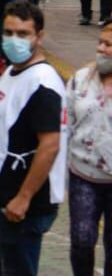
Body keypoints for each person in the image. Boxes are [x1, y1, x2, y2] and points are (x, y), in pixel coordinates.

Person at [0, 0, 66, 276]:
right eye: (8, 33)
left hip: (20, 207)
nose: (13, 40)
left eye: (22, 34)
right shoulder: (11, 71)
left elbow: (50, 146)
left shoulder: (42, 85)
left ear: (39, 37)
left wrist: (24, 197)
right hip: (1, 199)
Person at [65, 22, 112, 276]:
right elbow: (65, 125)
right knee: (82, 239)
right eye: (100, 43)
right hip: (84, 177)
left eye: (108, 45)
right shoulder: (80, 81)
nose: (102, 49)